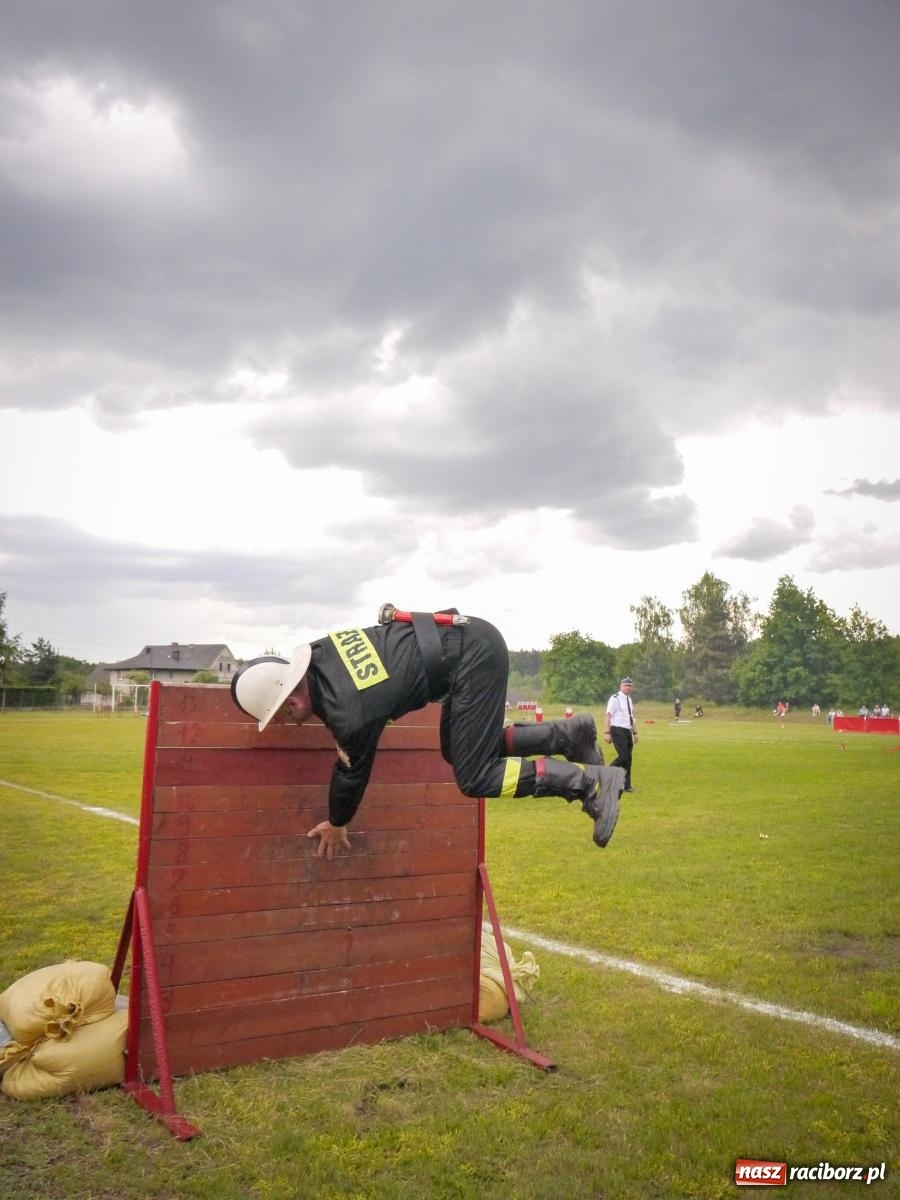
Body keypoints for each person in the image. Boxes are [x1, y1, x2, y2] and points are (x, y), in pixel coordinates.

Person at [230, 606, 624, 859]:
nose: (284, 722)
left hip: (470, 658)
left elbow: (351, 774)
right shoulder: (320, 653)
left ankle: (589, 785)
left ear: (289, 698)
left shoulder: (347, 711)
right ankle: (569, 735)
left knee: (475, 777)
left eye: (280, 715)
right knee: (458, 751)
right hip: (467, 643)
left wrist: (337, 822)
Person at [603, 676, 638, 793]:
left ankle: (626, 785)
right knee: (623, 757)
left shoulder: (629, 699)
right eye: (626, 685)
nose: (628, 688)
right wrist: (606, 733)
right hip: (617, 730)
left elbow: (631, 717)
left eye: (630, 686)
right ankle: (606, 774)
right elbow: (608, 716)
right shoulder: (615, 699)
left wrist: (635, 732)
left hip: (627, 730)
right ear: (621, 686)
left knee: (628, 759)